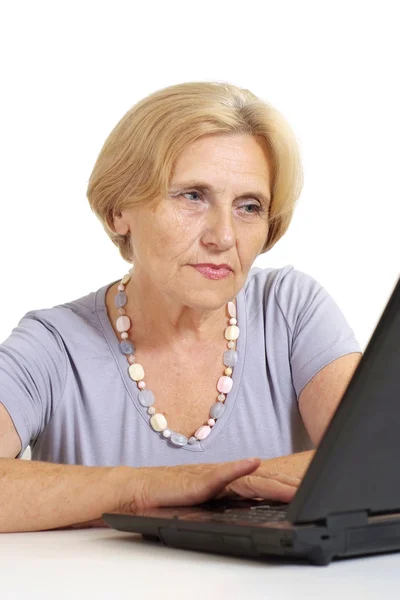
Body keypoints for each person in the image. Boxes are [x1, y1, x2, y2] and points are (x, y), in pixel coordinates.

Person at [0, 81, 362, 533]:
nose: (223, 236)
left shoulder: (289, 309)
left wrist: (217, 484)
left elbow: (379, 457)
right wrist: (149, 487)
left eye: (249, 206)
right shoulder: (54, 345)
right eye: (192, 196)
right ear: (119, 210)